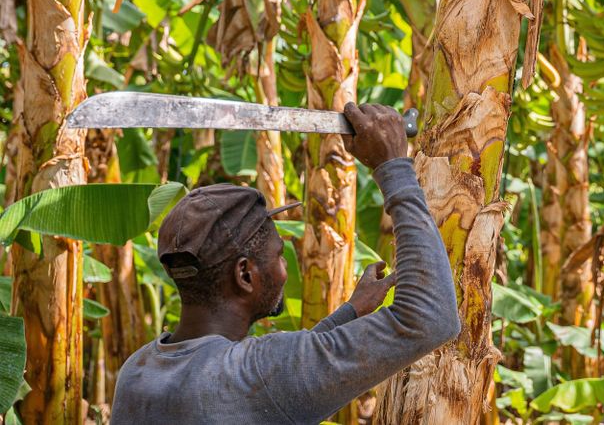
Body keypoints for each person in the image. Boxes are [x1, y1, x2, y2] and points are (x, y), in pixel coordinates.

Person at [111, 103, 460, 424]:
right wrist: (393, 167)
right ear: (245, 274)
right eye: (279, 255)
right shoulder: (257, 372)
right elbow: (430, 319)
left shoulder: (139, 371)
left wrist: (350, 312)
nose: (284, 266)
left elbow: (282, 378)